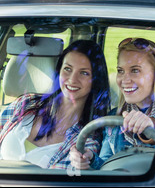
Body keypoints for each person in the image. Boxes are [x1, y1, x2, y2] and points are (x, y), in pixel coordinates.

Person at [0, 40, 111, 169]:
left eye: (84, 73)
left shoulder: (88, 139)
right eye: (68, 69)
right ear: (59, 71)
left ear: (96, 80)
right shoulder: (25, 104)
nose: (72, 79)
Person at [70, 38, 155, 170]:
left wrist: (152, 125)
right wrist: (89, 158)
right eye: (120, 71)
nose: (124, 80)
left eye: (135, 70)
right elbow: (106, 164)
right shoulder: (114, 117)